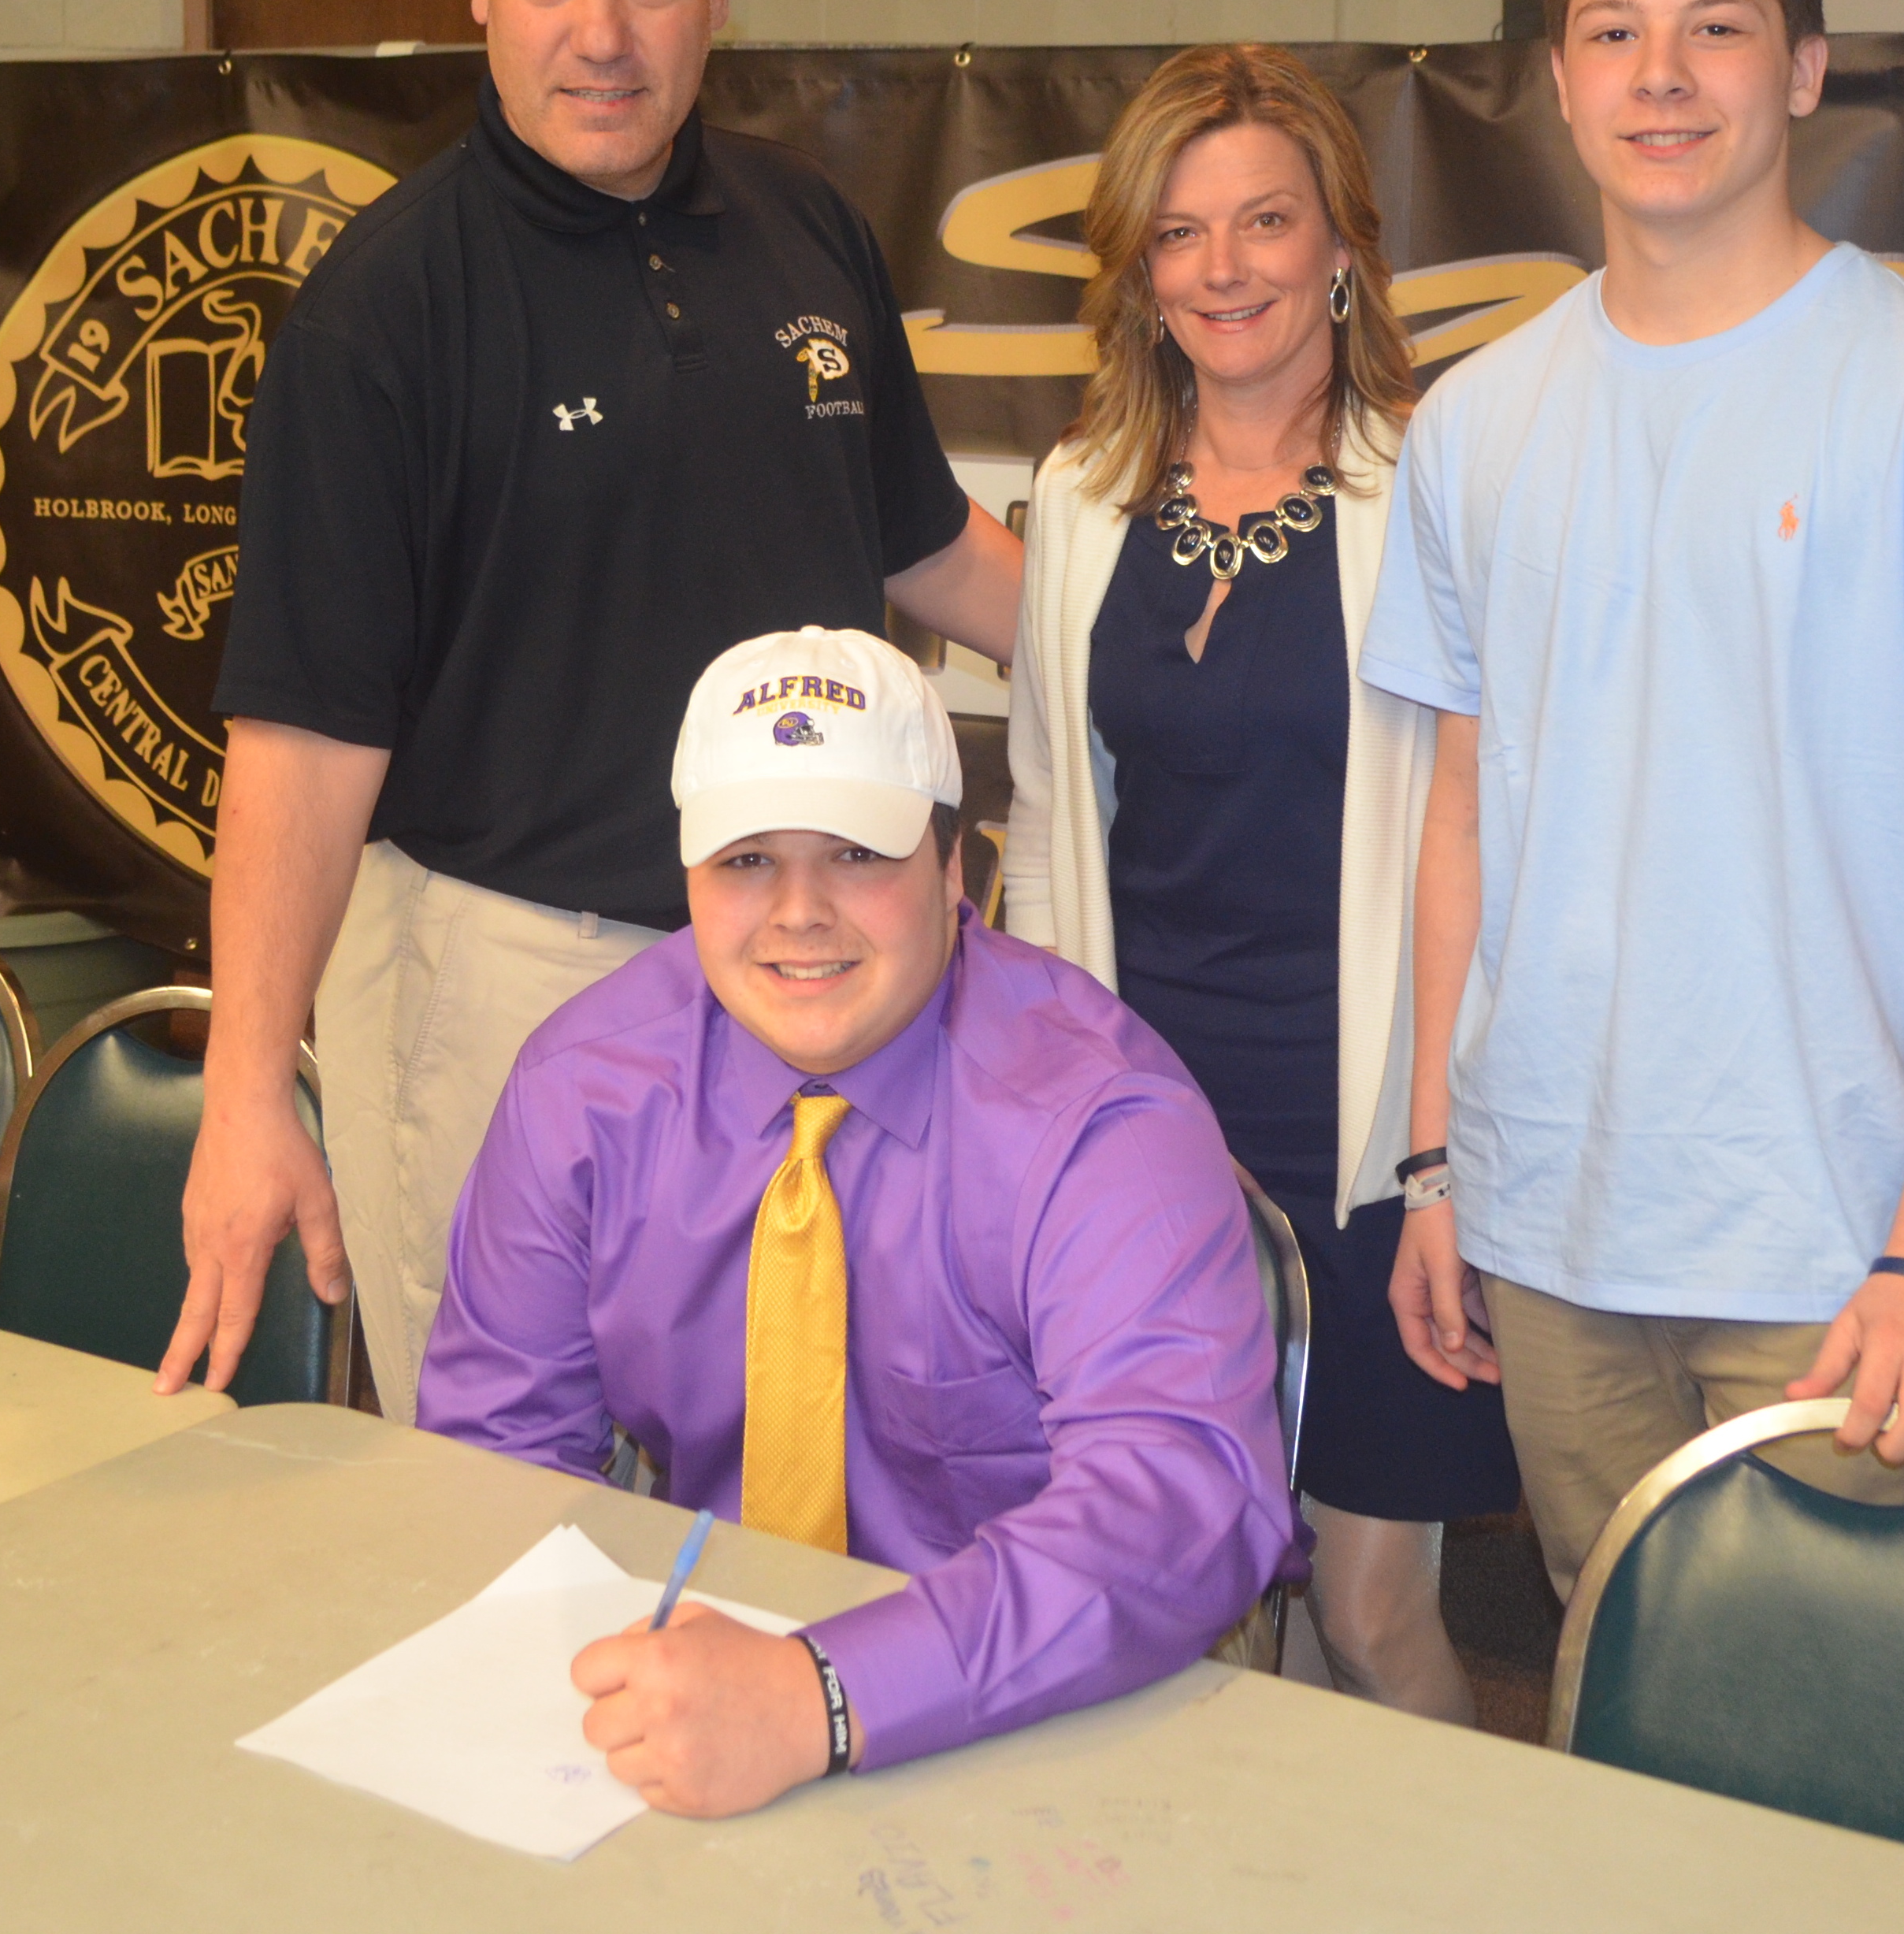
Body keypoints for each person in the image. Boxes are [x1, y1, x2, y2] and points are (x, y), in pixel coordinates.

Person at [158, 0, 1020, 1424]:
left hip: (803, 958)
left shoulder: (807, 230)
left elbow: (925, 545)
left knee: (794, 1451)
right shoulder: (382, 314)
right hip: (506, 976)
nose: (601, 34)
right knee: (504, 1486)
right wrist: (248, 1093)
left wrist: (1162, 654)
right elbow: (301, 747)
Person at [1360, 0, 1904, 1597]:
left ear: (1803, 65)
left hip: (1837, 1261)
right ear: (1558, 81)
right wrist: (1434, 1168)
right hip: (1546, 1230)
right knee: (1615, 1692)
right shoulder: (1473, 424)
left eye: (1715, 26)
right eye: (1612, 32)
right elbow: (1461, 818)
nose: (1661, 77)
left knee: (1825, 1729)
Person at [414, 625, 1297, 1816]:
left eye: (854, 853)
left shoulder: (1098, 1120)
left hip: (1047, 1707)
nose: (799, 913)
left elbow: (1176, 1501)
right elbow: (494, 1452)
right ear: (687, 876)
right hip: (705, 1680)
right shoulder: (584, 1088)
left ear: (953, 867)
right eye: (745, 860)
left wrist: (826, 1694)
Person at [1005, 45, 1514, 1723]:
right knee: (1188, 1603)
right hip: (1150, 1131)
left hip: (1367, 1136)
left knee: (1367, 1612)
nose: (1223, 267)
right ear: (1139, 274)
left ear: (1342, 246)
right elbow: (1046, 823)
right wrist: (1042, 1132)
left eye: (1266, 222)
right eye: (1179, 232)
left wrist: (1444, 1165)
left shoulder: (1430, 490)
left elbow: (1487, 843)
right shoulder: (1080, 499)